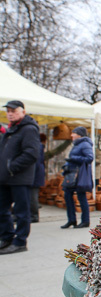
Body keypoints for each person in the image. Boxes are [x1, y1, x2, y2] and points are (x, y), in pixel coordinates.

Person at [0, 100, 40, 254]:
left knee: (21, 212)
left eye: (13, 110)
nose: (10, 113)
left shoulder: (29, 129)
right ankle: (6, 237)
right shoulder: (10, 130)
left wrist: (11, 167)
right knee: (2, 210)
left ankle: (20, 241)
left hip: (19, 178)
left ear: (22, 111)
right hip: (5, 178)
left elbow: (31, 154)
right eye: (8, 111)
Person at [61, 126, 93, 229]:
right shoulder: (77, 144)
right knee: (67, 195)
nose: (71, 135)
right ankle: (71, 220)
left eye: (73, 133)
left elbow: (89, 158)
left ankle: (85, 221)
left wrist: (73, 158)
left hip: (78, 174)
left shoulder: (84, 144)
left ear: (79, 134)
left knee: (81, 196)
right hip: (72, 173)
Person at [30, 133, 46, 223]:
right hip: (35, 173)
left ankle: (34, 215)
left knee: (32, 196)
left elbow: (36, 161)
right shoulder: (38, 145)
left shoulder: (38, 146)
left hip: (35, 174)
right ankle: (32, 214)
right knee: (31, 195)